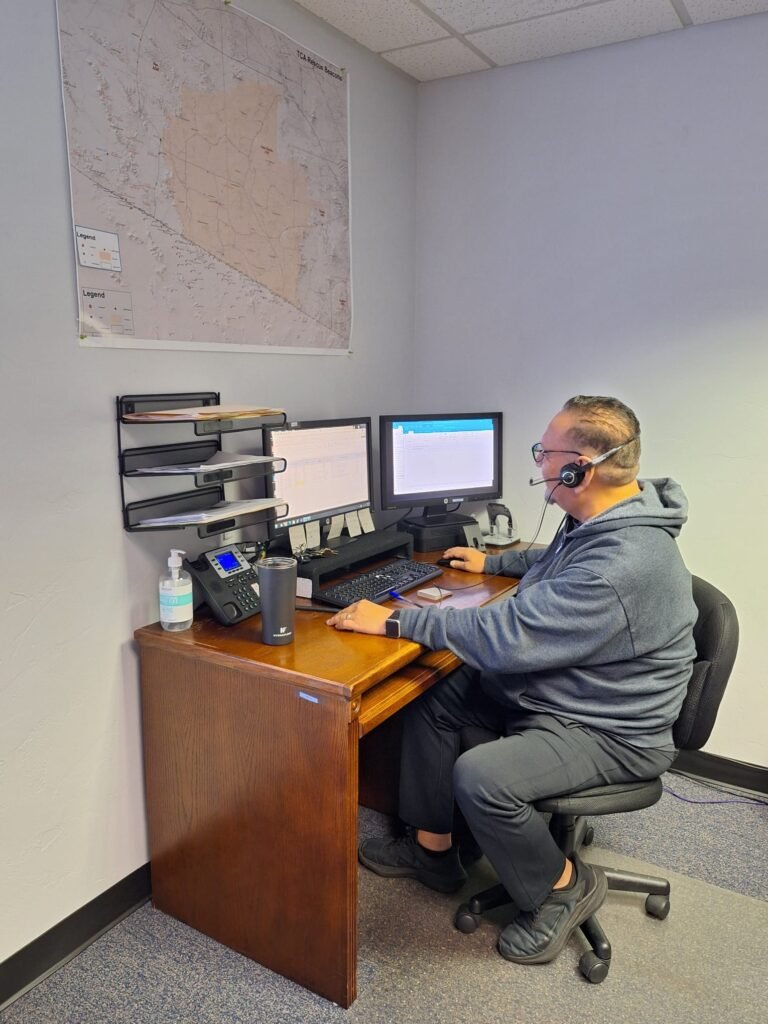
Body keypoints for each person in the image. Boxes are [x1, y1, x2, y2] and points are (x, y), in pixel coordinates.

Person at [327, 395, 697, 967]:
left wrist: (397, 619)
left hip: (610, 727)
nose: (540, 465)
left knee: (484, 776)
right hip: (575, 689)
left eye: (545, 454)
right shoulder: (614, 517)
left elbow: (506, 636)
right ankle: (434, 851)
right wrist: (494, 563)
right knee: (439, 689)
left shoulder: (621, 563)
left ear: (580, 468)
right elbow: (561, 560)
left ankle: (562, 886)